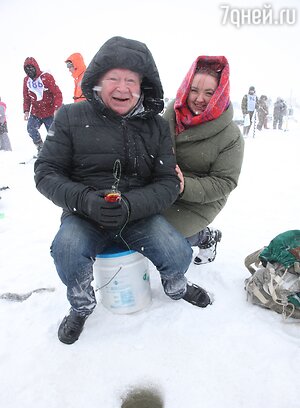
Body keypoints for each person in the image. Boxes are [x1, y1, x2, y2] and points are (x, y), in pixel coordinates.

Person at [34, 36, 212, 346]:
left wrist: (131, 205)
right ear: (97, 80)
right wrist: (86, 201)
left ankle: (176, 285)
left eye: (131, 80)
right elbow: (46, 172)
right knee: (67, 249)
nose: (122, 87)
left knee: (177, 251)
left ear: (143, 86)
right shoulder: (70, 117)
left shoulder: (156, 127)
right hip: (84, 215)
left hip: (139, 214)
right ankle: (81, 304)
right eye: (113, 78)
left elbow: (168, 182)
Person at [163, 56, 244, 265]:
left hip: (200, 199)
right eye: (194, 90)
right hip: (163, 186)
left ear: (220, 94)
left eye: (209, 93)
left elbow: (225, 182)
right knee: (138, 223)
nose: (199, 98)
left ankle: (206, 237)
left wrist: (184, 185)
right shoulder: (171, 114)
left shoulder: (231, 135)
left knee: (161, 232)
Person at [23, 57, 63, 154]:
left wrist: (57, 108)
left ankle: (56, 152)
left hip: (49, 112)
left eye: (31, 68)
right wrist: (26, 110)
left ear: (36, 67)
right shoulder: (26, 81)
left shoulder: (46, 77)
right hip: (35, 112)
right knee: (31, 128)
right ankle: (40, 148)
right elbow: (26, 97)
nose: (29, 71)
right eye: (26, 69)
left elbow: (57, 93)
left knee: (53, 134)